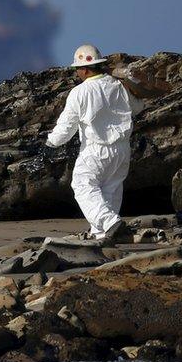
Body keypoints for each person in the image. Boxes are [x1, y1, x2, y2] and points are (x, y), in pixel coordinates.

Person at [46, 44, 145, 244]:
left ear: (83, 69)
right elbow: (137, 107)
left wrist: (51, 142)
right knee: (111, 191)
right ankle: (102, 236)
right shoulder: (118, 85)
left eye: (77, 69)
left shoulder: (79, 93)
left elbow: (66, 127)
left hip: (96, 149)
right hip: (122, 149)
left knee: (82, 185)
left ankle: (110, 223)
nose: (77, 73)